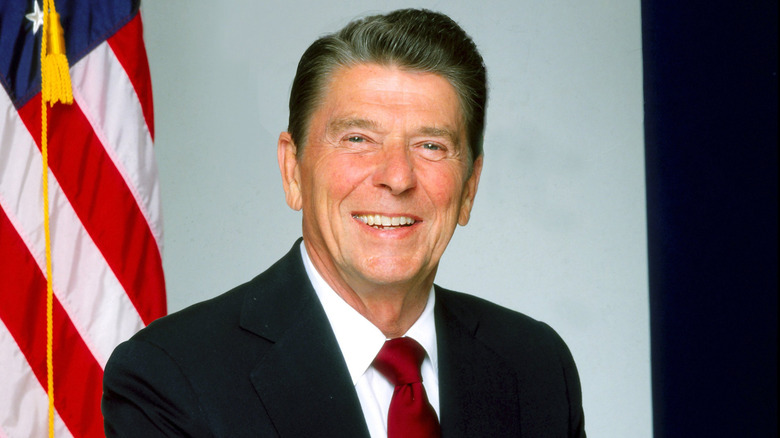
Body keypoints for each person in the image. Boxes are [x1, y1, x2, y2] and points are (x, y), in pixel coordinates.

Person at [102, 8, 586, 437]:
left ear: (469, 188)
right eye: (358, 139)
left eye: (431, 146)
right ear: (293, 171)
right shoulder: (172, 378)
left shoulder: (537, 367)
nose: (397, 176)